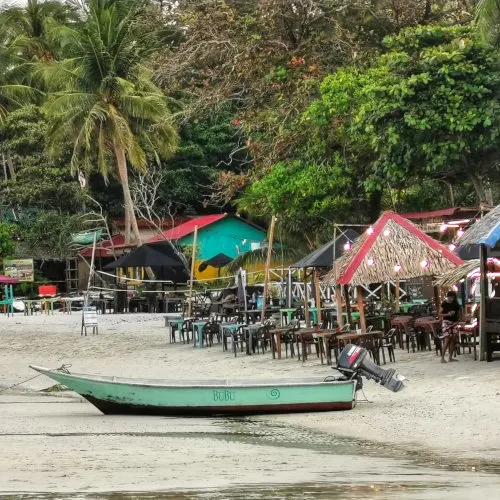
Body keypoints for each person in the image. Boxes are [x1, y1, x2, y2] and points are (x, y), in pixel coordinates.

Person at [439, 290, 462, 363]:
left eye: (453, 297)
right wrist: (447, 314)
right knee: (447, 340)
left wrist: (460, 320)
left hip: (454, 323)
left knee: (453, 340)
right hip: (446, 323)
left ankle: (450, 357)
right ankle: (442, 358)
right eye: (450, 297)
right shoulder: (444, 304)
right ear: (447, 297)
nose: (452, 299)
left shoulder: (456, 305)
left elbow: (459, 315)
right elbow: (439, 314)